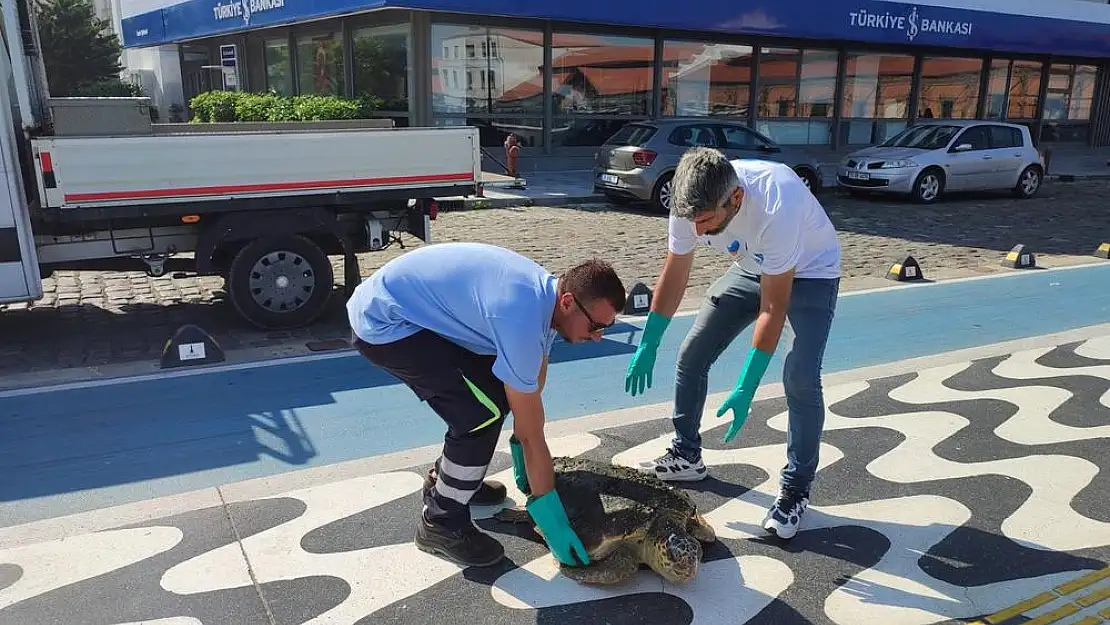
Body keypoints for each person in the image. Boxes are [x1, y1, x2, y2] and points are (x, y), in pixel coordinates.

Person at [347, 241, 627, 567]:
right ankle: (441, 521)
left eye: (607, 328)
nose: (598, 336)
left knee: (498, 393)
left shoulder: (547, 300)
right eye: (596, 326)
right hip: (385, 323)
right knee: (480, 415)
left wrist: (525, 462)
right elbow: (532, 433)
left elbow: (530, 389)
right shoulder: (522, 318)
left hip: (413, 310)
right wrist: (555, 524)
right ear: (568, 302)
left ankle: (451, 480)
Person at [624, 147, 841, 540]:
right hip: (751, 267)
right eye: (693, 222)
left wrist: (746, 386)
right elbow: (674, 275)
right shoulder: (690, 203)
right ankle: (686, 454)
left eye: (706, 222)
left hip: (810, 273)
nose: (700, 233)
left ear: (736, 199)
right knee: (692, 353)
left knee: (801, 378)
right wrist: (649, 343)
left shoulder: (779, 202)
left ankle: (795, 491)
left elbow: (773, 309)